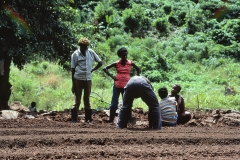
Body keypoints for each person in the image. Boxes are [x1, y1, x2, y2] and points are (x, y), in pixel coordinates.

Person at [103, 47, 141, 123]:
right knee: (114, 103)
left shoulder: (130, 63)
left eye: (125, 55)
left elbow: (138, 69)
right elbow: (105, 68)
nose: (124, 57)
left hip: (127, 86)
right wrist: (112, 76)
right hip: (117, 85)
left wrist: (135, 78)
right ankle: (111, 120)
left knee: (127, 102)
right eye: (123, 55)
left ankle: (129, 119)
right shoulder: (117, 63)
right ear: (120, 56)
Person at [71, 37, 102, 123]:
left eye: (86, 47)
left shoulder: (91, 52)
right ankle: (74, 119)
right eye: (84, 47)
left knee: (87, 99)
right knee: (77, 99)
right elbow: (73, 70)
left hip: (88, 79)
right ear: (80, 46)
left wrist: (92, 69)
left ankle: (88, 119)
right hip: (78, 79)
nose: (85, 49)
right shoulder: (75, 54)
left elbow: (100, 62)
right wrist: (73, 84)